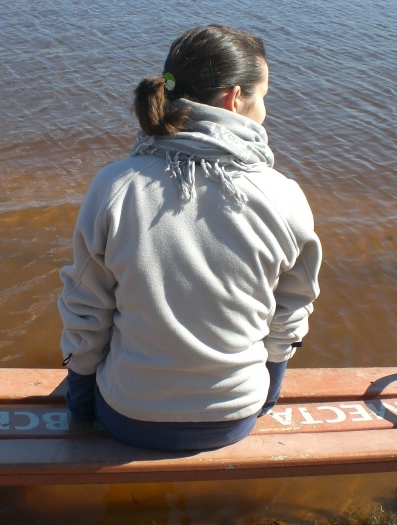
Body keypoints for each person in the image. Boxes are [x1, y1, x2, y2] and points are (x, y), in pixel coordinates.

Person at [57, 25, 321, 451]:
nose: (265, 110)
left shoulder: (115, 185)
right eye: (264, 96)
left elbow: (86, 310)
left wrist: (81, 404)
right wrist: (266, 397)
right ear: (234, 99)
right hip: (235, 417)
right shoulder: (284, 195)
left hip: (128, 416)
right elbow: (290, 312)